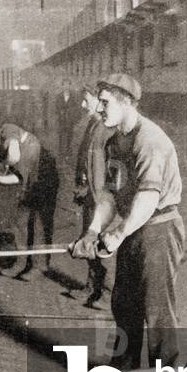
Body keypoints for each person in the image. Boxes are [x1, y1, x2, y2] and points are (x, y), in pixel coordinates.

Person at [68, 73, 184, 372]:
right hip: (134, 228)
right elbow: (109, 196)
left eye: (105, 103)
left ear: (126, 102)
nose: (99, 108)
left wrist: (118, 233)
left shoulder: (149, 140)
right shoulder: (114, 143)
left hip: (159, 229)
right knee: (123, 304)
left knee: (157, 314)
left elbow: (148, 197)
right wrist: (92, 232)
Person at [0, 114, 59, 280]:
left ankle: (39, 266)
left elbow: (14, 157)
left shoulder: (7, 130)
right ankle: (20, 263)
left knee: (38, 224)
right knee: (20, 223)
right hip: (29, 181)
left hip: (44, 179)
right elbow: (17, 177)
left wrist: (0, 171)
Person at [73, 84, 113, 308]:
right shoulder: (93, 125)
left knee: (105, 243)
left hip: (104, 197)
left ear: (100, 101)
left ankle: (107, 294)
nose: (82, 104)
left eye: (86, 99)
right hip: (90, 192)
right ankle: (91, 288)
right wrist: (81, 184)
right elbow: (85, 159)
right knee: (89, 238)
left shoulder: (109, 129)